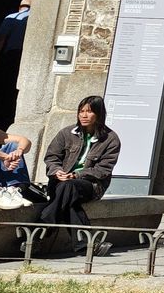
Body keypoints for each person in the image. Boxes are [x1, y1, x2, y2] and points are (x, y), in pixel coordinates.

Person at [34, 95, 120, 232]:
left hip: (90, 185)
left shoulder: (111, 139)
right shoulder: (66, 133)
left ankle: (40, 229)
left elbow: (103, 170)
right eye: (81, 111)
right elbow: (51, 157)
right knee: (68, 198)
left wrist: (76, 175)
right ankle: (88, 243)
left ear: (99, 114)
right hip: (60, 182)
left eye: (89, 111)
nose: (84, 115)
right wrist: (57, 171)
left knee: (67, 188)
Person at [0, 0, 32, 79]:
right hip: (27, 55)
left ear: (20, 7)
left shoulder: (10, 17)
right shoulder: (34, 19)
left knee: (6, 79)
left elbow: (1, 39)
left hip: (11, 54)